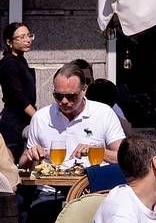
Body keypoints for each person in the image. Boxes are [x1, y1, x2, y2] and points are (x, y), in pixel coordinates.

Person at [19, 63, 126, 169]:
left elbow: (124, 158)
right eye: (58, 96)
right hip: (49, 185)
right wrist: (30, 156)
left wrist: (98, 152)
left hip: (93, 184)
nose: (64, 101)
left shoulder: (103, 113)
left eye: (71, 96)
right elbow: (23, 165)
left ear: (84, 90)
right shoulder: (40, 117)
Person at [0, 22, 36, 161]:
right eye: (21, 37)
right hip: (14, 121)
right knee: (12, 161)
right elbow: (17, 95)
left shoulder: (20, 60)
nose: (27, 40)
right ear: (9, 42)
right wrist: (37, 116)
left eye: (29, 35)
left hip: (23, 118)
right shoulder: (9, 63)